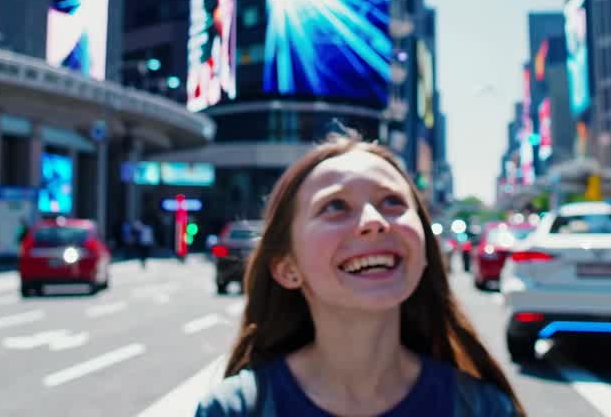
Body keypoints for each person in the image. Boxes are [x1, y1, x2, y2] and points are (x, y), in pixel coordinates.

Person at [196, 133, 523, 416]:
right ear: (287, 268)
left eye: (392, 202)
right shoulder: (234, 409)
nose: (373, 221)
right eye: (335, 207)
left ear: (424, 251)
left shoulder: (484, 409)